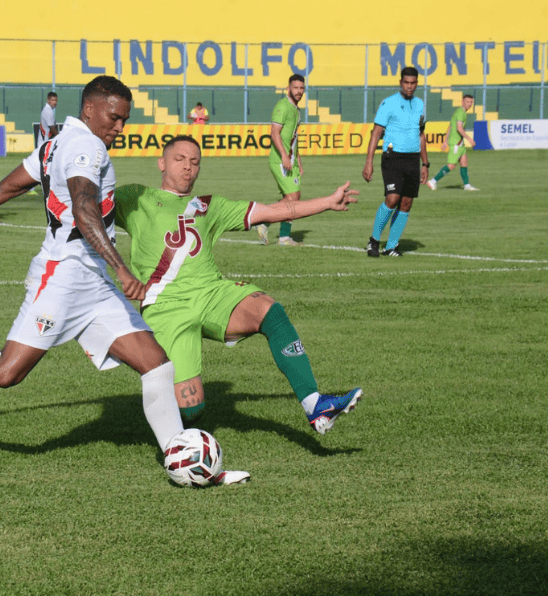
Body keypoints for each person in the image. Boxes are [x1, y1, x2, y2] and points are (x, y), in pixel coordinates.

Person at [0, 77, 249, 486]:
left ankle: (188, 465)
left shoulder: (57, 142)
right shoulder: (85, 146)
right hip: (64, 277)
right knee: (5, 374)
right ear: (90, 109)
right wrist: (121, 267)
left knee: (155, 364)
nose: (119, 127)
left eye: (125, 119)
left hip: (93, 280)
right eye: (114, 117)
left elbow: (3, 190)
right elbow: (85, 209)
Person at [114, 135, 362, 433]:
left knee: (269, 310)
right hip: (166, 308)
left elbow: (273, 211)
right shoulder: (134, 197)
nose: (188, 167)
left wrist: (327, 202)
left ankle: (315, 405)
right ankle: (180, 444)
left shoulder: (208, 205)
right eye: (180, 159)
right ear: (161, 163)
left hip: (211, 294)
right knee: (191, 410)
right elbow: (88, 208)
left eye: (195, 162)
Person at [362, 66, 429, 257]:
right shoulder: (388, 103)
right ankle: (373, 240)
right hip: (392, 157)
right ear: (400, 83)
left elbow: (421, 134)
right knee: (392, 199)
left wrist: (425, 163)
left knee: (406, 203)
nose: (409, 86)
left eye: (413, 83)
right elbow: (376, 133)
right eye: (406, 83)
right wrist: (369, 161)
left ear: (417, 83)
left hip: (412, 159)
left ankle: (391, 246)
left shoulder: (419, 104)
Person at [257, 74, 306, 246]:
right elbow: (274, 133)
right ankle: (264, 221)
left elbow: (292, 137)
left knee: (294, 197)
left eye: (301, 88)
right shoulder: (282, 106)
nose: (299, 91)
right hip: (279, 160)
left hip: (289, 160)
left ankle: (283, 235)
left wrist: (297, 160)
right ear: (288, 88)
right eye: (296, 88)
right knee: (293, 196)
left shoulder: (296, 109)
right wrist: (285, 156)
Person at [427, 94, 479, 192]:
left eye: (471, 102)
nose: (469, 104)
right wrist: (469, 139)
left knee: (464, 162)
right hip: (456, 143)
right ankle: (432, 181)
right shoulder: (460, 113)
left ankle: (467, 186)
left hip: (460, 143)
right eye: (467, 102)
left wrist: (445, 141)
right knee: (451, 165)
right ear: (462, 102)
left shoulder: (460, 112)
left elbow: (451, 126)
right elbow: (459, 128)